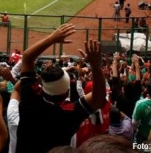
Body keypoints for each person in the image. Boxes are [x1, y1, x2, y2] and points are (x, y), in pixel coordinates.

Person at [15, 24, 106, 153]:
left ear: (43, 87)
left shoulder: (31, 100)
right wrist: (95, 65)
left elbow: (27, 57)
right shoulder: (69, 112)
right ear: (67, 92)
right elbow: (98, 97)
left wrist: (52, 38)